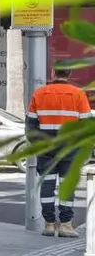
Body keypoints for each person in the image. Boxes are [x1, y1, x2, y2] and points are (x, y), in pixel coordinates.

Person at [25, 62, 92, 238]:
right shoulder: (78, 94)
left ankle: (49, 224)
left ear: (53, 73)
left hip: (46, 148)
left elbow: (31, 125)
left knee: (47, 185)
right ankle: (65, 225)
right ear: (69, 74)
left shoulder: (39, 93)